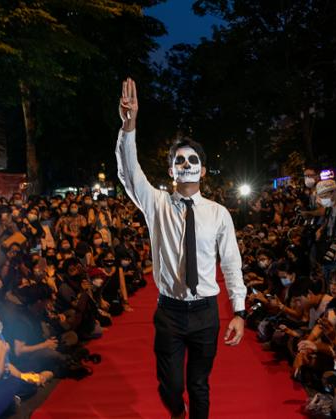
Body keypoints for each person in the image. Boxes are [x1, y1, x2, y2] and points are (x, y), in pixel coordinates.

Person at [116, 78, 246, 419]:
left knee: (200, 384)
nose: (186, 164)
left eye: (192, 160)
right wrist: (129, 126)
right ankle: (177, 412)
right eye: (179, 160)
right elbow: (130, 173)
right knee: (171, 385)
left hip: (205, 313)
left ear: (202, 169)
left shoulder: (218, 213)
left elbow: (231, 263)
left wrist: (239, 311)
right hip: (170, 313)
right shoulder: (155, 203)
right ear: (172, 169)